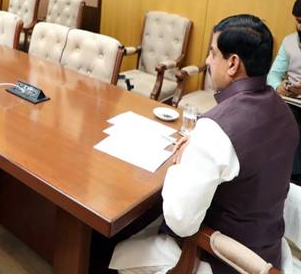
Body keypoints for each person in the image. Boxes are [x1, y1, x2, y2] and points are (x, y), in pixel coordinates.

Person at [110, 14, 298, 273]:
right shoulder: (284, 112)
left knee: (116, 247)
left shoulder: (216, 130)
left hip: (223, 259)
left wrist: (180, 161)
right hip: (267, 249)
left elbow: (180, 222)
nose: (207, 61)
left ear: (233, 63)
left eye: (212, 53)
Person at [267, 0, 301, 185]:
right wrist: (279, 86)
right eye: (299, 22)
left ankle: (292, 180)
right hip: (290, 101)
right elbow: (273, 75)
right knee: (285, 118)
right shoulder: (289, 42)